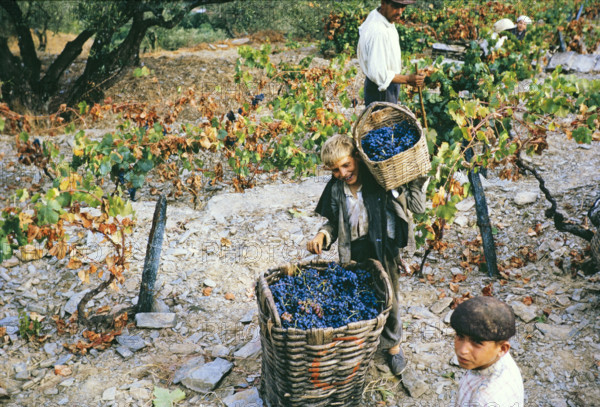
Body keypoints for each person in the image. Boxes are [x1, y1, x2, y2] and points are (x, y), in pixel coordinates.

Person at [306, 134, 428, 375]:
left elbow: (415, 207)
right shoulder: (336, 189)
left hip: (384, 246)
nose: (342, 173)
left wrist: (414, 182)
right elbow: (333, 222)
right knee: (359, 294)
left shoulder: (378, 180)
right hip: (355, 249)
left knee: (389, 295)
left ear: (357, 159)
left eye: (346, 165)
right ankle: (363, 343)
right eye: (335, 170)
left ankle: (393, 346)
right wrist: (322, 235)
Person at [450, 296, 524, 406]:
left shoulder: (486, 399)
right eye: (460, 336)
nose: (463, 350)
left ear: (503, 348)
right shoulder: (496, 358)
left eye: (477, 342)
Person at [357, 0, 425, 106]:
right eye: (395, 6)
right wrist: (408, 79)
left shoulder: (378, 16)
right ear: (383, 3)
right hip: (381, 91)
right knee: (384, 121)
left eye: (403, 7)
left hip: (384, 86)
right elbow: (379, 74)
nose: (400, 12)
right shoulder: (379, 31)